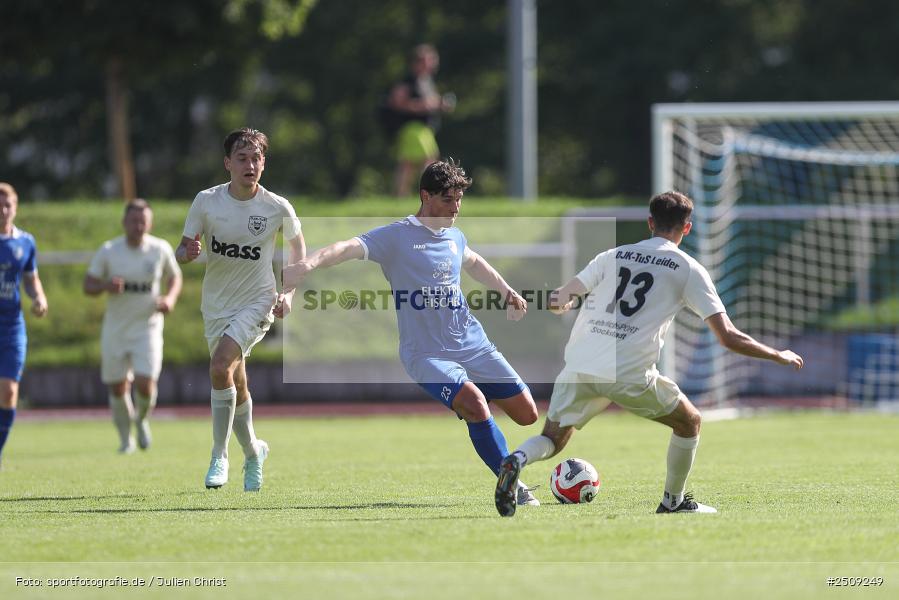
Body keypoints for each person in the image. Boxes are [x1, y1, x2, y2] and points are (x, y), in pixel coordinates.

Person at [494, 191, 805, 517]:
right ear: (687, 228)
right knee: (690, 422)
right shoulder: (687, 268)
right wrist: (776, 354)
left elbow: (560, 298)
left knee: (553, 438)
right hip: (627, 371)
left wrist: (562, 302)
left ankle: (517, 459)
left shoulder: (611, 255)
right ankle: (673, 502)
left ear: (650, 223)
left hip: (580, 364)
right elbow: (727, 337)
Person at [283, 159, 541, 508]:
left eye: (459, 199)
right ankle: (511, 482)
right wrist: (309, 264)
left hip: (473, 344)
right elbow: (345, 248)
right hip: (425, 355)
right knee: (477, 405)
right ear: (425, 196)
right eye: (448, 199)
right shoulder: (396, 236)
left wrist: (507, 290)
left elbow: (474, 261)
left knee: (527, 414)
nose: (455, 208)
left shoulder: (455, 235)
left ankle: (470, 405)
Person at [176, 128, 305, 492]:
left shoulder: (277, 207)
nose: (250, 164)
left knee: (219, 368)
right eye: (242, 158)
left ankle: (220, 456)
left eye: (256, 158)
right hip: (216, 304)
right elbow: (182, 248)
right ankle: (253, 452)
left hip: (258, 300)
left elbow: (298, 252)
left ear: (264, 163)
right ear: (227, 163)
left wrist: (289, 293)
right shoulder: (206, 201)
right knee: (236, 381)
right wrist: (185, 254)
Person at [84, 199, 182, 454]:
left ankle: (141, 419)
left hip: (147, 328)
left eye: (143, 221)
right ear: (124, 223)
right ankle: (125, 439)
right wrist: (105, 286)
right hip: (116, 329)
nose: (138, 226)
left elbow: (175, 277)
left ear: (149, 223)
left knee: (145, 382)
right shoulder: (109, 250)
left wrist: (169, 299)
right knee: (117, 387)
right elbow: (88, 284)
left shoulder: (159, 249)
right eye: (134, 221)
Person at [0, 182, 49, 469]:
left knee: (8, 391)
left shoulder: (25, 242)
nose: (3, 211)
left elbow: (31, 278)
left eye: (8, 205)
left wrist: (39, 297)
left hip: (11, 327)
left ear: (16, 208)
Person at [387, 44, 456, 197]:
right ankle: (426, 195)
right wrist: (424, 105)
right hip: (412, 128)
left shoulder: (426, 81)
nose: (432, 63)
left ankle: (401, 195)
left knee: (411, 164)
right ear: (417, 62)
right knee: (425, 162)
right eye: (428, 60)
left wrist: (438, 104)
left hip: (425, 129)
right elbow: (396, 102)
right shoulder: (408, 81)